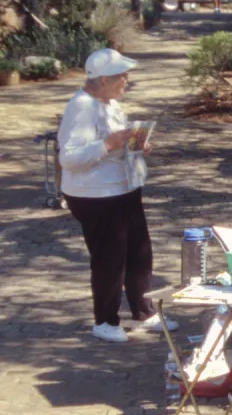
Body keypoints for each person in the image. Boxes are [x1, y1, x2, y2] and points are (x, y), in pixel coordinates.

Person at [58, 48, 178, 344]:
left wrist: (136, 145)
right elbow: (69, 158)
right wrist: (108, 145)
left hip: (123, 187)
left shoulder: (109, 103)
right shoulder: (82, 107)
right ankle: (105, 321)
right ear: (102, 81)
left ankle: (144, 311)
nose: (127, 80)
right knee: (109, 259)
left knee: (139, 252)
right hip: (96, 196)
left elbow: (116, 140)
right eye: (122, 75)